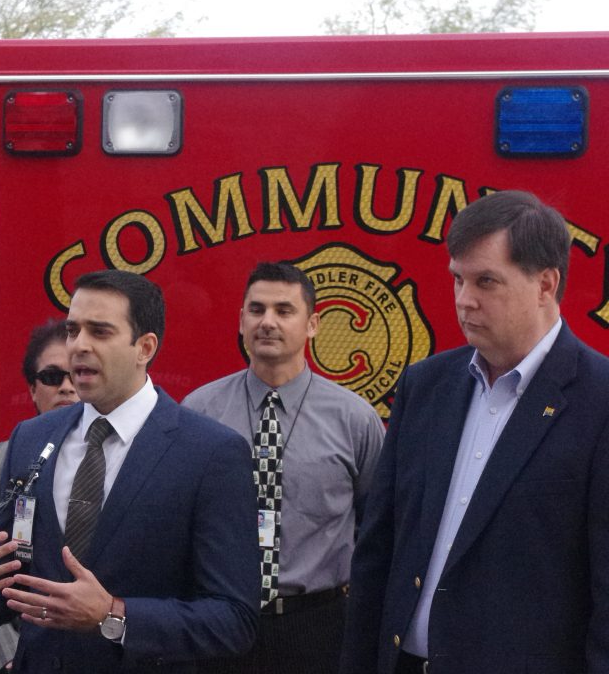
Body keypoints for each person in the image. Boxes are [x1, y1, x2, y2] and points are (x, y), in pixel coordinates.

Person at [0, 269, 260, 673]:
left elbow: (233, 620)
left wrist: (113, 615)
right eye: (73, 330)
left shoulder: (210, 453)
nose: (79, 346)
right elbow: (15, 581)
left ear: (144, 347)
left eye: (100, 332)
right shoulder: (31, 438)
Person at [340, 190, 609, 674]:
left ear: (546, 284)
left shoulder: (598, 399)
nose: (464, 301)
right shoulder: (427, 385)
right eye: (458, 279)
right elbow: (378, 549)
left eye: (487, 281)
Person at [183, 261, 384, 674]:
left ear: (312, 324)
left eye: (284, 311)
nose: (267, 322)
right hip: (219, 620)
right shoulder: (199, 412)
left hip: (319, 626)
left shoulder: (354, 419)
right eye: (256, 310)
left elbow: (378, 528)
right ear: (241, 321)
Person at [0, 320, 78, 674]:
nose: (66, 388)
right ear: (32, 389)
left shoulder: (117, 465)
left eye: (75, 376)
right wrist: (12, 660)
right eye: (52, 377)